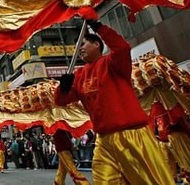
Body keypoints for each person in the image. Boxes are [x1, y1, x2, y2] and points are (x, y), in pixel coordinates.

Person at [54, 20, 174, 184]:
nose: (79, 49)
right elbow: (60, 101)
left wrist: (98, 27)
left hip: (132, 135)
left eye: (82, 44)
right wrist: (63, 87)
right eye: (77, 48)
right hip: (103, 141)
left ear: (96, 44)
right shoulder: (79, 75)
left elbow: (122, 47)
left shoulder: (113, 63)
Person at [152, 101, 190, 183]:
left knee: (189, 164)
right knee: (187, 164)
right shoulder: (160, 104)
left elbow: (176, 119)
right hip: (171, 137)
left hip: (175, 136)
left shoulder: (163, 102)